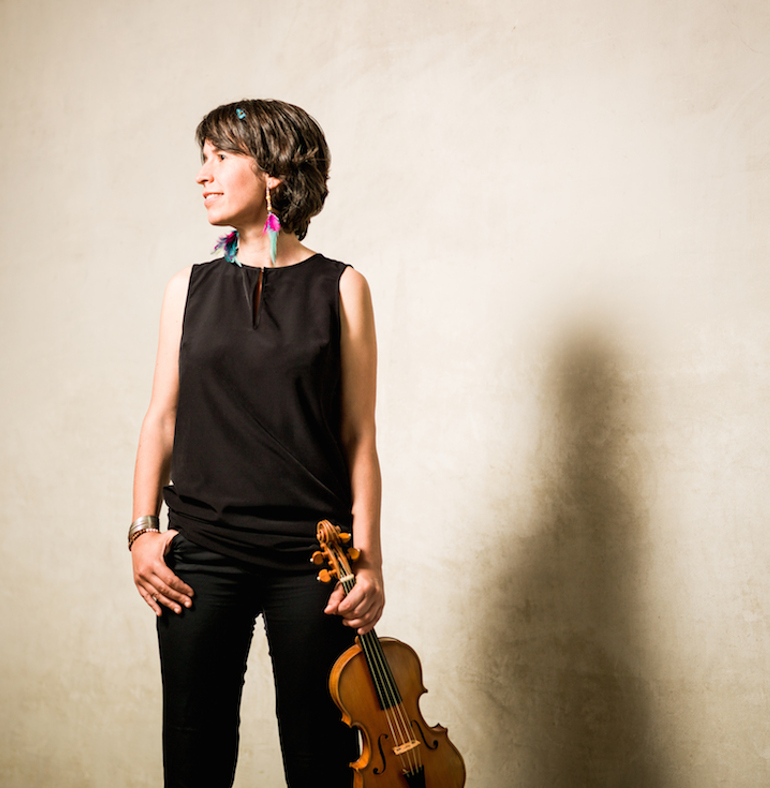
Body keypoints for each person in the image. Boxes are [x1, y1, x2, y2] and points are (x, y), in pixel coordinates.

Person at [129, 98, 384, 788]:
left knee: (322, 756)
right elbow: (161, 417)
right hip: (202, 553)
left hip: (315, 558)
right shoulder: (188, 287)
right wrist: (142, 533)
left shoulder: (342, 287)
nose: (203, 175)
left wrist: (370, 561)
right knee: (196, 755)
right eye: (202, 159)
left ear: (274, 172)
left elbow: (359, 436)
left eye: (221, 157)